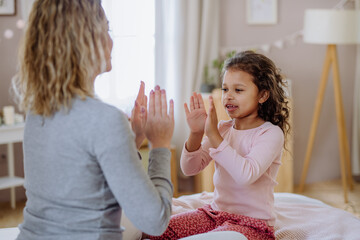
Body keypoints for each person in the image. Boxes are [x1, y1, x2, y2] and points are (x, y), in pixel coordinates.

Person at [13, 1, 174, 239]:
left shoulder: (37, 113)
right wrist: (159, 144)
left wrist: (135, 138)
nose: (112, 40)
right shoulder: (105, 120)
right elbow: (155, 221)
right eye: (107, 30)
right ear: (86, 40)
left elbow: (86, 185)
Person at [145, 51, 290, 240]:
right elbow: (189, 168)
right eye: (225, 89)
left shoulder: (270, 133)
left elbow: (245, 175)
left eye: (238, 90)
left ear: (262, 95)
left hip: (251, 225)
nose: (228, 96)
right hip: (214, 215)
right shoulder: (222, 129)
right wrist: (196, 133)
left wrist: (213, 134)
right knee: (152, 230)